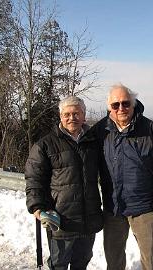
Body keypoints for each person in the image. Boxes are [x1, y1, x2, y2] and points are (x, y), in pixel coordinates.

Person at [93, 83, 153, 270]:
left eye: (125, 103)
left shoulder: (149, 129)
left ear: (133, 103)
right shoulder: (100, 131)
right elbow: (83, 159)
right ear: (109, 108)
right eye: (115, 105)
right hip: (113, 205)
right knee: (113, 255)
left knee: (149, 255)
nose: (121, 108)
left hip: (144, 206)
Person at [25, 96, 103, 270]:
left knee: (81, 263)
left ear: (83, 116)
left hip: (88, 219)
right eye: (67, 114)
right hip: (60, 219)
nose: (71, 118)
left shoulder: (93, 143)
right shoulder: (45, 145)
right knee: (59, 264)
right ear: (60, 117)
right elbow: (34, 179)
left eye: (76, 113)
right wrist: (37, 207)